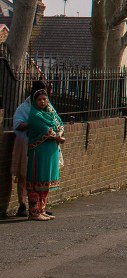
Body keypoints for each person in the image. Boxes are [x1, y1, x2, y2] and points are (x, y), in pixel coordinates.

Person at [25, 88, 65, 221]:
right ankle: (34, 212)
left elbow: (60, 124)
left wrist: (59, 133)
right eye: (39, 100)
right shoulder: (34, 115)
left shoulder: (51, 112)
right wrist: (57, 137)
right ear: (34, 101)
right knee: (37, 180)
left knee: (46, 182)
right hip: (39, 152)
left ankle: (41, 209)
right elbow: (45, 130)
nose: (42, 102)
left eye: (44, 99)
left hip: (51, 151)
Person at [12, 80, 49, 217]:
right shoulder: (24, 107)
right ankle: (22, 204)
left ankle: (39, 206)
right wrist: (33, 123)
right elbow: (17, 124)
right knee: (24, 174)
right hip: (26, 144)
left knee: (41, 175)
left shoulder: (47, 107)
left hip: (43, 146)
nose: (42, 100)